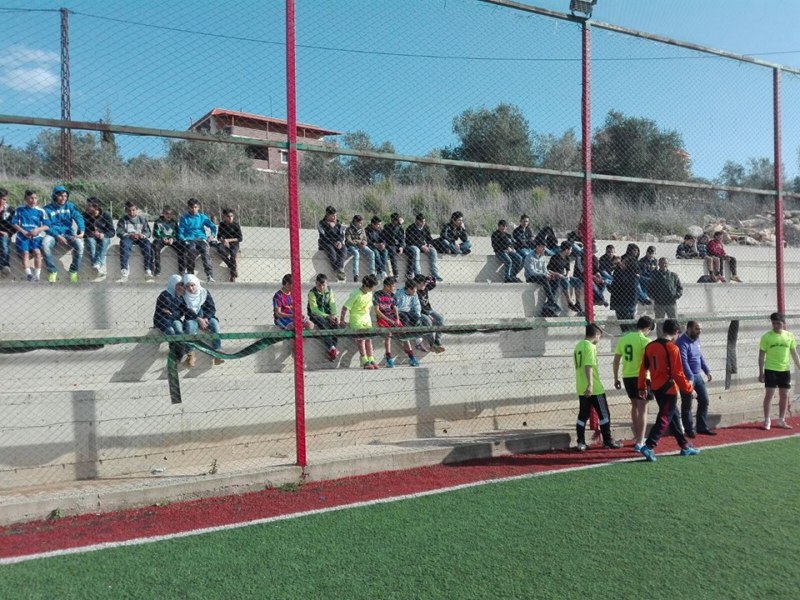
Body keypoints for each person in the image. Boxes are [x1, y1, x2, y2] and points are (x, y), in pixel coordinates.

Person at [637, 318, 699, 462]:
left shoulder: (650, 346)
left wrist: (641, 386)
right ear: (676, 332)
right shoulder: (672, 348)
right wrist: (689, 389)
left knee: (674, 416)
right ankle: (649, 446)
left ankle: (684, 446)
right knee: (664, 418)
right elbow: (678, 373)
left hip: (656, 388)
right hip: (668, 389)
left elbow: (643, 368)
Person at [573, 323, 623, 451]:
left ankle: (580, 442)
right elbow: (588, 366)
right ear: (596, 334)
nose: (599, 339)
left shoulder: (578, 346)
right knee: (604, 414)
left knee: (583, 415)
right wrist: (590, 384)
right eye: (600, 336)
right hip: (594, 388)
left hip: (580, 386)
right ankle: (607, 440)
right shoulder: (591, 347)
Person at [613, 316, 655, 451]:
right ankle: (641, 441)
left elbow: (616, 359)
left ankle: (637, 437)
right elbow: (650, 362)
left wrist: (616, 378)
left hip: (627, 376)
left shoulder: (624, 339)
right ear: (647, 328)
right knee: (643, 409)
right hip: (641, 377)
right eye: (650, 330)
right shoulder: (645, 341)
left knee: (635, 406)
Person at [758, 312, 800, 430]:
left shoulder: (789, 336)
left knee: (784, 395)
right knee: (769, 394)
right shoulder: (766, 337)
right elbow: (761, 356)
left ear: (783, 323)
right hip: (770, 369)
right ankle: (767, 420)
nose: (776, 326)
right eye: (773, 323)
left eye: (778, 323)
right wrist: (761, 372)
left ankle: (781, 420)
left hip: (785, 370)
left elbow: (794, 354)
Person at [676, 320, 714, 437]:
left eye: (701, 329)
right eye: (697, 329)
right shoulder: (681, 342)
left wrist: (707, 370)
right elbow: (683, 362)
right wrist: (690, 378)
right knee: (687, 404)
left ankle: (702, 427)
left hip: (697, 376)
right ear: (689, 329)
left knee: (704, 400)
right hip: (687, 378)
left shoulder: (697, 340)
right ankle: (689, 429)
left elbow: (700, 356)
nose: (700, 331)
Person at [42, 185, 85, 284]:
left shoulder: (70, 206)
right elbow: (47, 226)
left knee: (80, 244)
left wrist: (82, 231)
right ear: (55, 196)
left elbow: (79, 217)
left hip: (68, 233)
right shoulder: (47, 209)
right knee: (45, 244)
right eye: (61, 196)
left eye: (65, 196)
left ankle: (73, 271)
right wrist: (57, 236)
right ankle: (52, 271)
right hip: (53, 235)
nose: (63, 198)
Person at [373, 276, 417, 368]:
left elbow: (395, 308)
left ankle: (412, 357)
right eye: (393, 286)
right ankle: (389, 359)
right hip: (382, 319)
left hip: (392, 318)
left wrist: (397, 319)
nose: (394, 288)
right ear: (387, 286)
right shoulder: (377, 294)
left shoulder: (393, 296)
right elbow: (377, 310)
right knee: (388, 334)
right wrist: (388, 320)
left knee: (404, 333)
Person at [182, 274, 223, 367]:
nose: (190, 288)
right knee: (190, 328)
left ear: (197, 283)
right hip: (192, 318)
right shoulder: (184, 295)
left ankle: (217, 353)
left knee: (215, 324)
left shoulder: (204, 292)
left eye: (192, 285)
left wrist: (206, 318)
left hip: (206, 318)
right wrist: (198, 318)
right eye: (187, 286)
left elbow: (211, 308)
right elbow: (185, 310)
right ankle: (190, 355)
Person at [340, 274, 379, 369]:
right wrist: (342, 319)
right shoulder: (356, 294)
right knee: (361, 340)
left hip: (366, 318)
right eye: (371, 287)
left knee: (369, 340)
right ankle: (365, 362)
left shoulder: (369, 293)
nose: (372, 289)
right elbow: (345, 307)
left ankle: (371, 360)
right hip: (356, 319)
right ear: (366, 285)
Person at [11, 190, 49, 282]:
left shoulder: (41, 211)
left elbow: (47, 226)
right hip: (23, 236)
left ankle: (37, 275)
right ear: (26, 199)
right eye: (31, 198)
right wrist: (23, 231)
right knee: (25, 253)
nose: (33, 200)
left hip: (36, 237)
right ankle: (29, 274)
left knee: (37, 252)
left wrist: (37, 230)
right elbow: (13, 223)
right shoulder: (20, 209)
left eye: (35, 198)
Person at [178, 198, 217, 282]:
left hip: (201, 239)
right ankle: (190, 274)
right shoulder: (184, 218)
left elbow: (213, 227)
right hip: (189, 239)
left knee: (205, 250)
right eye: (191, 207)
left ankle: (209, 275)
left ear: (198, 207)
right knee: (191, 250)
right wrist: (184, 239)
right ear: (188, 208)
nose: (193, 209)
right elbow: (181, 231)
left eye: (195, 207)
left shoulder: (202, 217)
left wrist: (212, 235)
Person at [116, 202, 154, 283]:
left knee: (148, 245)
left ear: (137, 210)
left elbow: (148, 232)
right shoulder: (123, 220)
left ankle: (148, 270)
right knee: (124, 245)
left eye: (133, 210)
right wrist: (129, 235)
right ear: (126, 211)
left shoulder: (142, 219)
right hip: (128, 238)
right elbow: (119, 232)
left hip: (140, 238)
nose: (131, 212)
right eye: (129, 210)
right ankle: (124, 270)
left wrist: (142, 235)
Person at [153, 274, 186, 361]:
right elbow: (165, 312)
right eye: (178, 285)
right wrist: (173, 313)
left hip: (174, 319)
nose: (180, 287)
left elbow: (180, 311)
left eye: (182, 285)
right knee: (170, 331)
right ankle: (178, 353)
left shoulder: (180, 296)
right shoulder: (165, 295)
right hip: (162, 319)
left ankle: (179, 353)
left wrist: (172, 313)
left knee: (179, 331)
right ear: (173, 284)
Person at [307, 273, 340, 361]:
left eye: (323, 285)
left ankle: (332, 349)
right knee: (323, 323)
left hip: (328, 315)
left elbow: (332, 303)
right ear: (315, 283)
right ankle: (332, 348)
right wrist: (328, 316)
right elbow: (314, 310)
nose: (321, 287)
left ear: (327, 283)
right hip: (315, 315)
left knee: (336, 325)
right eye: (319, 285)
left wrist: (334, 315)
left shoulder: (329, 290)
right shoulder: (312, 293)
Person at [83, 197, 115, 278]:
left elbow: (112, 232)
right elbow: (81, 231)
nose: (86, 207)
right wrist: (92, 233)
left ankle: (96, 265)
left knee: (105, 241)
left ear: (96, 207)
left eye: (89, 206)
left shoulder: (106, 216)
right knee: (90, 241)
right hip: (91, 237)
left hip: (103, 237)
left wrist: (103, 235)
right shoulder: (84, 216)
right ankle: (97, 265)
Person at [547, 240, 583, 315]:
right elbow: (548, 269)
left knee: (578, 281)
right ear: (566, 250)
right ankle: (569, 302)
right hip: (556, 276)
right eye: (570, 250)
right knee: (565, 281)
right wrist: (557, 274)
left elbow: (568, 270)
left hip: (563, 276)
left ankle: (577, 302)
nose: (571, 251)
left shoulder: (567, 258)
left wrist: (567, 275)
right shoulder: (555, 257)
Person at [524, 240, 560, 315]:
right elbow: (532, 272)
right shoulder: (529, 257)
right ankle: (551, 300)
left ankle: (549, 302)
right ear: (537, 247)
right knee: (544, 278)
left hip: (542, 276)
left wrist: (549, 274)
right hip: (531, 277)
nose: (544, 249)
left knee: (556, 278)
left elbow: (544, 270)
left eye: (545, 247)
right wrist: (544, 275)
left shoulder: (543, 256)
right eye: (542, 247)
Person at [405, 213, 442, 281]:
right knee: (416, 250)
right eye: (421, 221)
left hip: (423, 245)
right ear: (417, 221)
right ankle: (417, 274)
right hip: (413, 246)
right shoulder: (410, 228)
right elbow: (410, 241)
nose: (423, 223)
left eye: (424, 221)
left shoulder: (425, 227)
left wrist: (429, 244)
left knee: (433, 251)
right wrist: (421, 246)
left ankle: (435, 273)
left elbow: (429, 238)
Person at [414, 274, 446, 353]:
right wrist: (429, 316)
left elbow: (433, 285)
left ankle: (437, 341)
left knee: (440, 319)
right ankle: (432, 344)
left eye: (425, 283)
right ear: (417, 284)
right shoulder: (415, 292)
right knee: (428, 321)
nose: (424, 285)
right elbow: (420, 307)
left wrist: (430, 278)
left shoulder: (425, 288)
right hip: (421, 312)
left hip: (429, 310)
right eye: (422, 284)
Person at [609, 256, 639, 331]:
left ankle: (632, 337)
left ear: (628, 265)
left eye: (623, 263)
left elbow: (616, 286)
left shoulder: (630, 275)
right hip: (622, 303)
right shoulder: (621, 273)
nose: (621, 263)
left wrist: (606, 284)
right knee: (625, 326)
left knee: (628, 326)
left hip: (625, 304)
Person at [317, 206, 346, 281]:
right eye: (332, 215)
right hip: (325, 243)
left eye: (335, 215)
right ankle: (336, 270)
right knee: (331, 250)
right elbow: (323, 237)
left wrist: (340, 242)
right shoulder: (321, 224)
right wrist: (334, 242)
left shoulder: (339, 224)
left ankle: (340, 268)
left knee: (344, 248)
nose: (335, 217)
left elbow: (341, 235)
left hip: (337, 243)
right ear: (327, 215)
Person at [151, 207, 182, 278]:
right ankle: (157, 269)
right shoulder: (158, 222)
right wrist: (162, 238)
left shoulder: (174, 222)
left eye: (171, 214)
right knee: (155, 246)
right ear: (163, 214)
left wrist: (173, 239)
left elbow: (177, 233)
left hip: (171, 240)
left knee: (182, 247)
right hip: (161, 239)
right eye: (167, 214)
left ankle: (182, 270)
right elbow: (155, 233)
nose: (169, 215)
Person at [345, 214, 376, 283]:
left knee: (371, 253)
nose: (361, 224)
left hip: (361, 245)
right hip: (352, 246)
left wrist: (364, 243)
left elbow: (365, 238)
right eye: (360, 223)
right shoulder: (349, 229)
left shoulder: (362, 229)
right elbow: (348, 240)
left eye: (362, 223)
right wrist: (358, 243)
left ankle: (372, 274)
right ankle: (356, 275)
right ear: (355, 222)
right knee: (356, 254)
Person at [215, 208, 243, 282]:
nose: (230, 218)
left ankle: (232, 276)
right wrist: (223, 241)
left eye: (232, 216)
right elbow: (218, 237)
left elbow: (240, 238)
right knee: (220, 249)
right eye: (228, 216)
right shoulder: (221, 225)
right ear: (224, 217)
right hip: (224, 243)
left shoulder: (236, 225)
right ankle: (232, 267)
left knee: (233, 255)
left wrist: (228, 240)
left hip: (234, 243)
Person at [383, 212, 409, 279]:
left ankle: (410, 272)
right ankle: (396, 273)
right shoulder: (387, 226)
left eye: (397, 220)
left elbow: (402, 238)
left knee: (412, 251)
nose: (396, 221)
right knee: (392, 252)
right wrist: (399, 224)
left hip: (399, 245)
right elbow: (392, 234)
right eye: (395, 220)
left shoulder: (400, 228)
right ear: (392, 220)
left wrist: (402, 246)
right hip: (390, 244)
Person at [366, 216, 389, 280]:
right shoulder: (367, 230)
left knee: (385, 251)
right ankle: (383, 271)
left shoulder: (380, 230)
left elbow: (384, 239)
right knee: (376, 252)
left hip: (379, 246)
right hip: (371, 246)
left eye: (380, 224)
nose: (379, 226)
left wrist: (383, 244)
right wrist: (375, 245)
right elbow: (367, 241)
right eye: (378, 224)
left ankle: (380, 272)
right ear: (373, 224)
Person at [0, 188, 16, 276]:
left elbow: (14, 225)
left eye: (4, 199)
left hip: (5, 235)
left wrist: (8, 233)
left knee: (4, 244)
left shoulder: (10, 210)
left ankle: (4, 266)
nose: (2, 201)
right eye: (1, 198)